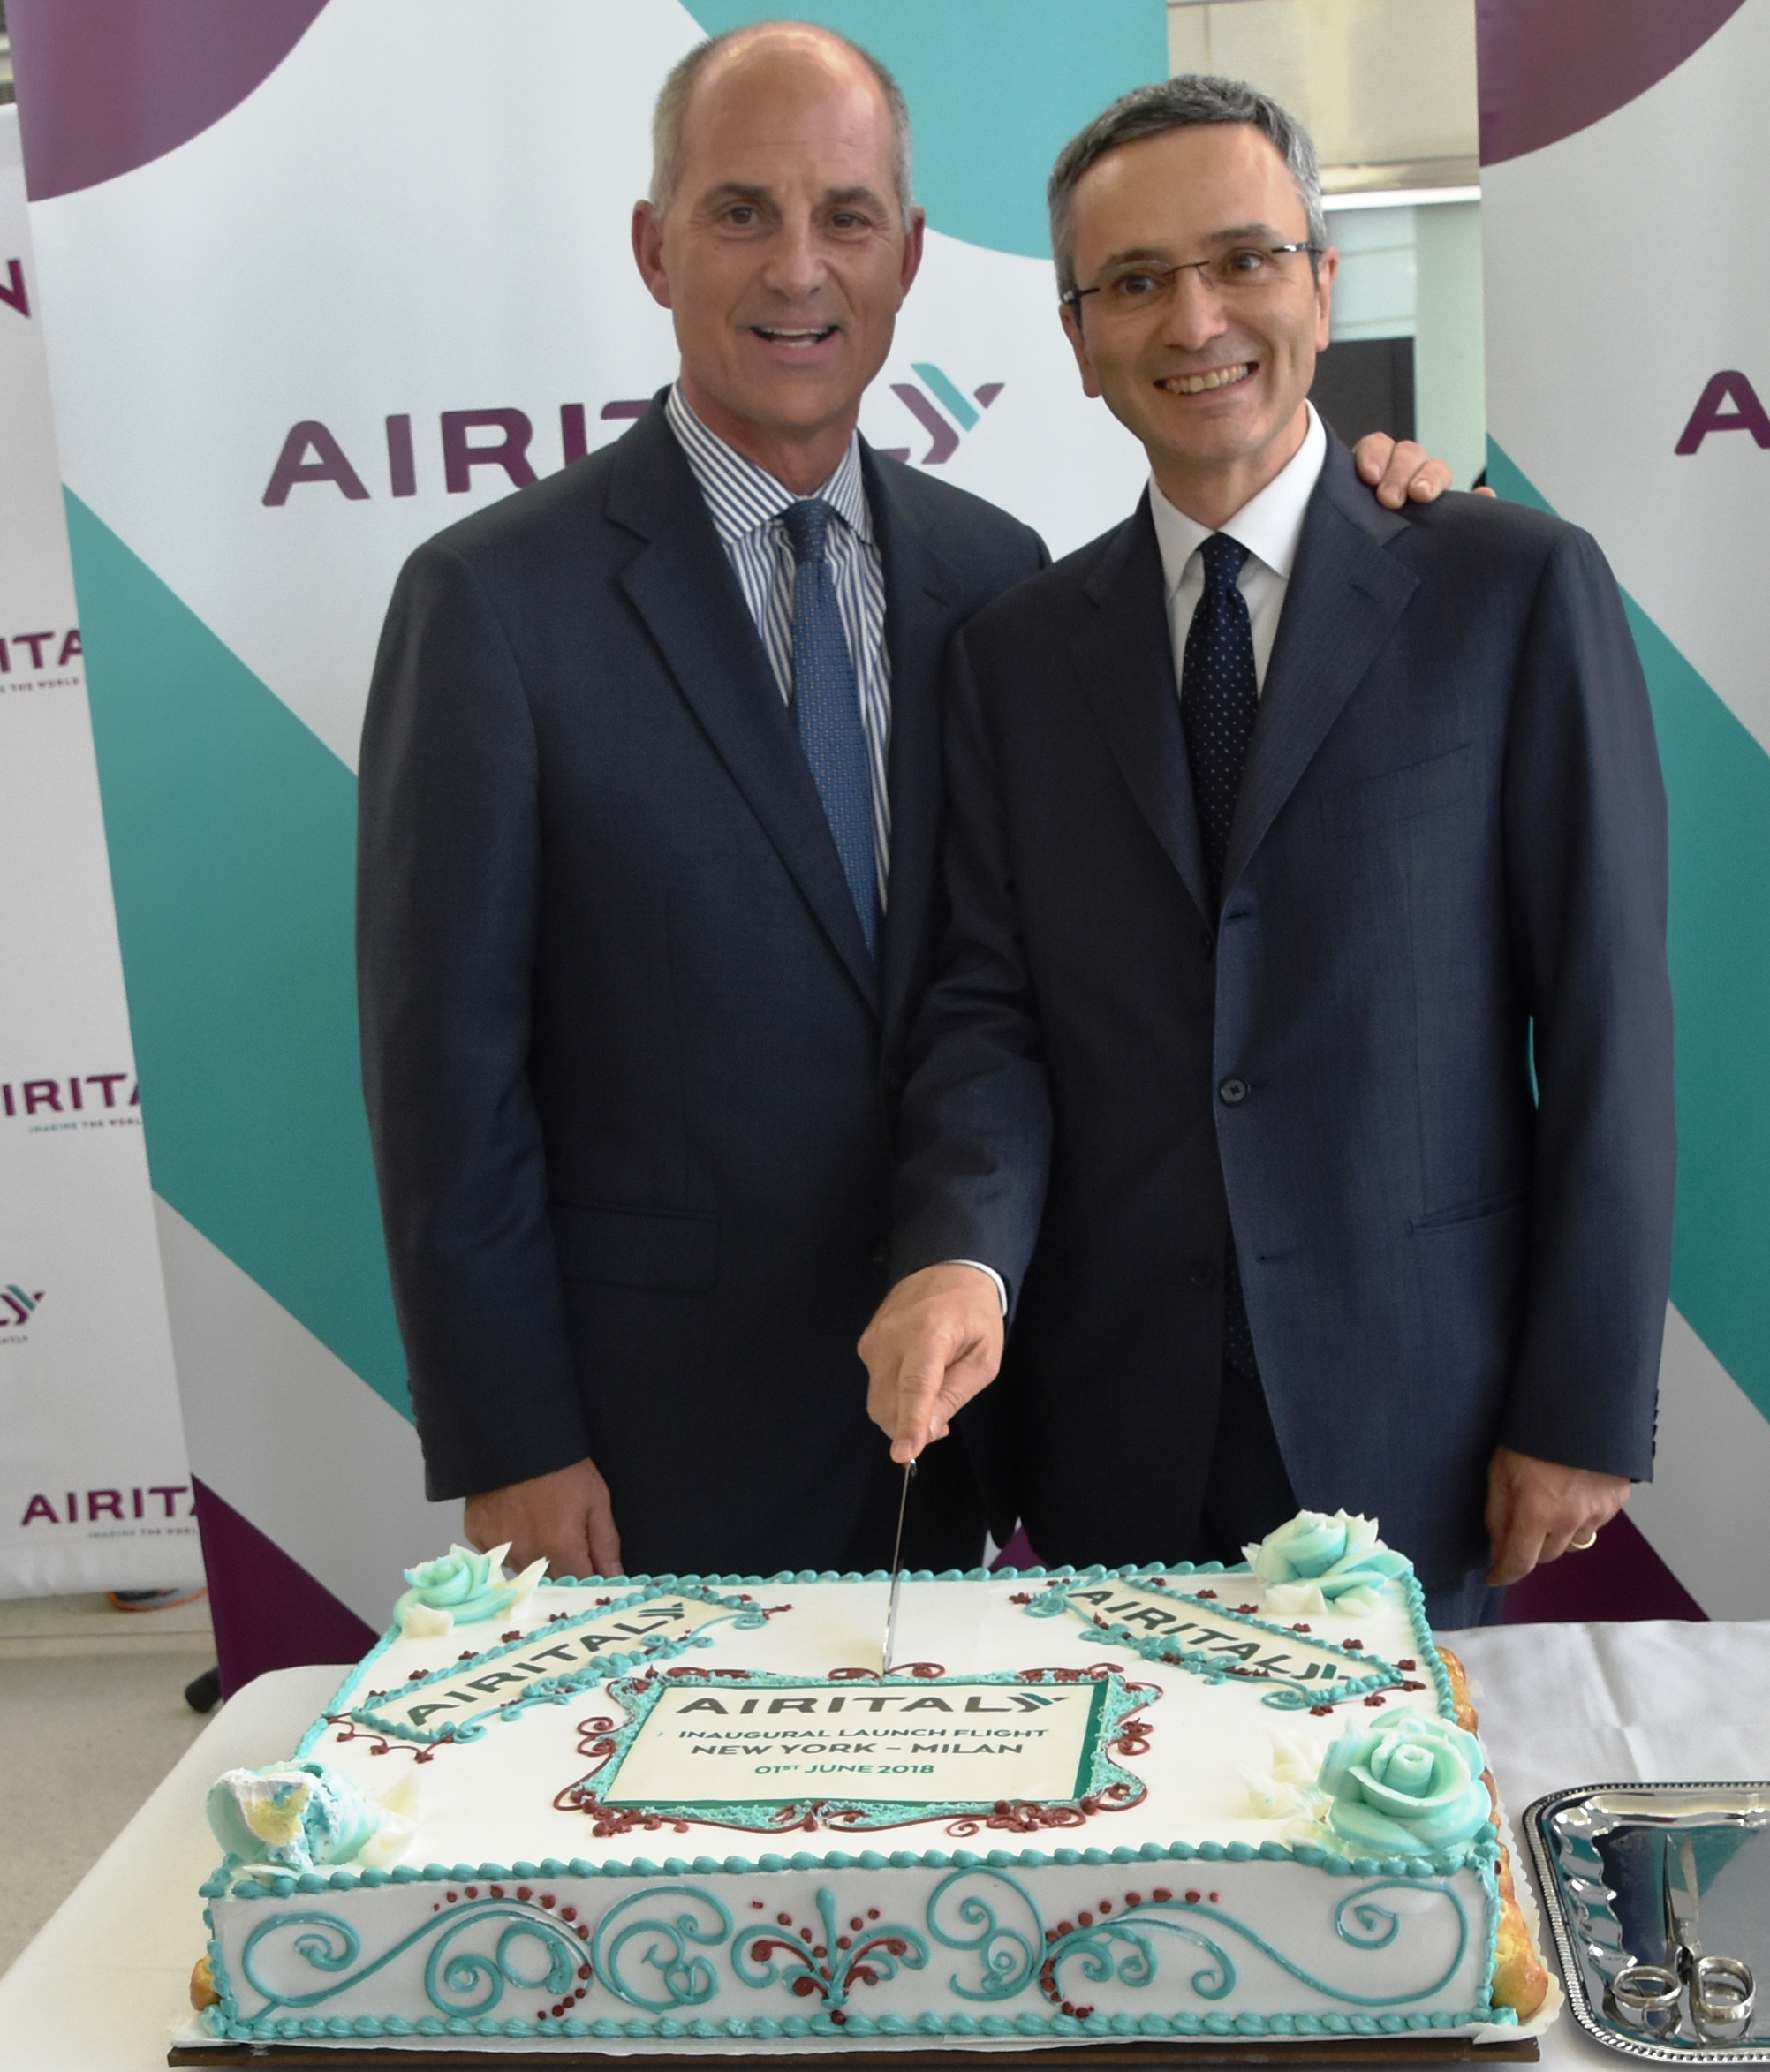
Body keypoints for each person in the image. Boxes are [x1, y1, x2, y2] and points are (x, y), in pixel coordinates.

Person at [357, 30, 1455, 1584]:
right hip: (656, 1434)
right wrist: (512, 1436)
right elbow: (441, 1074)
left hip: (994, 1411)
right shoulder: (490, 602)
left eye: (848, 216)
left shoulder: (998, 579)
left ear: (912, 257)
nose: (798, 268)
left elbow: (1026, 979)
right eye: (740, 212)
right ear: (653, 248)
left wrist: (1380, 505)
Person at [859, 76, 1673, 1627]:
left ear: (1320, 280)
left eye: (1240, 259)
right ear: (1079, 334)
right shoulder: (1016, 655)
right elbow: (988, 1008)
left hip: (1419, 1414)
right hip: (1112, 1429)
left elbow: (1605, 1021)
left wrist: (1578, 1403)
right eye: (1137, 282)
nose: (1194, 318)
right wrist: (963, 1255)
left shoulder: (1511, 589)